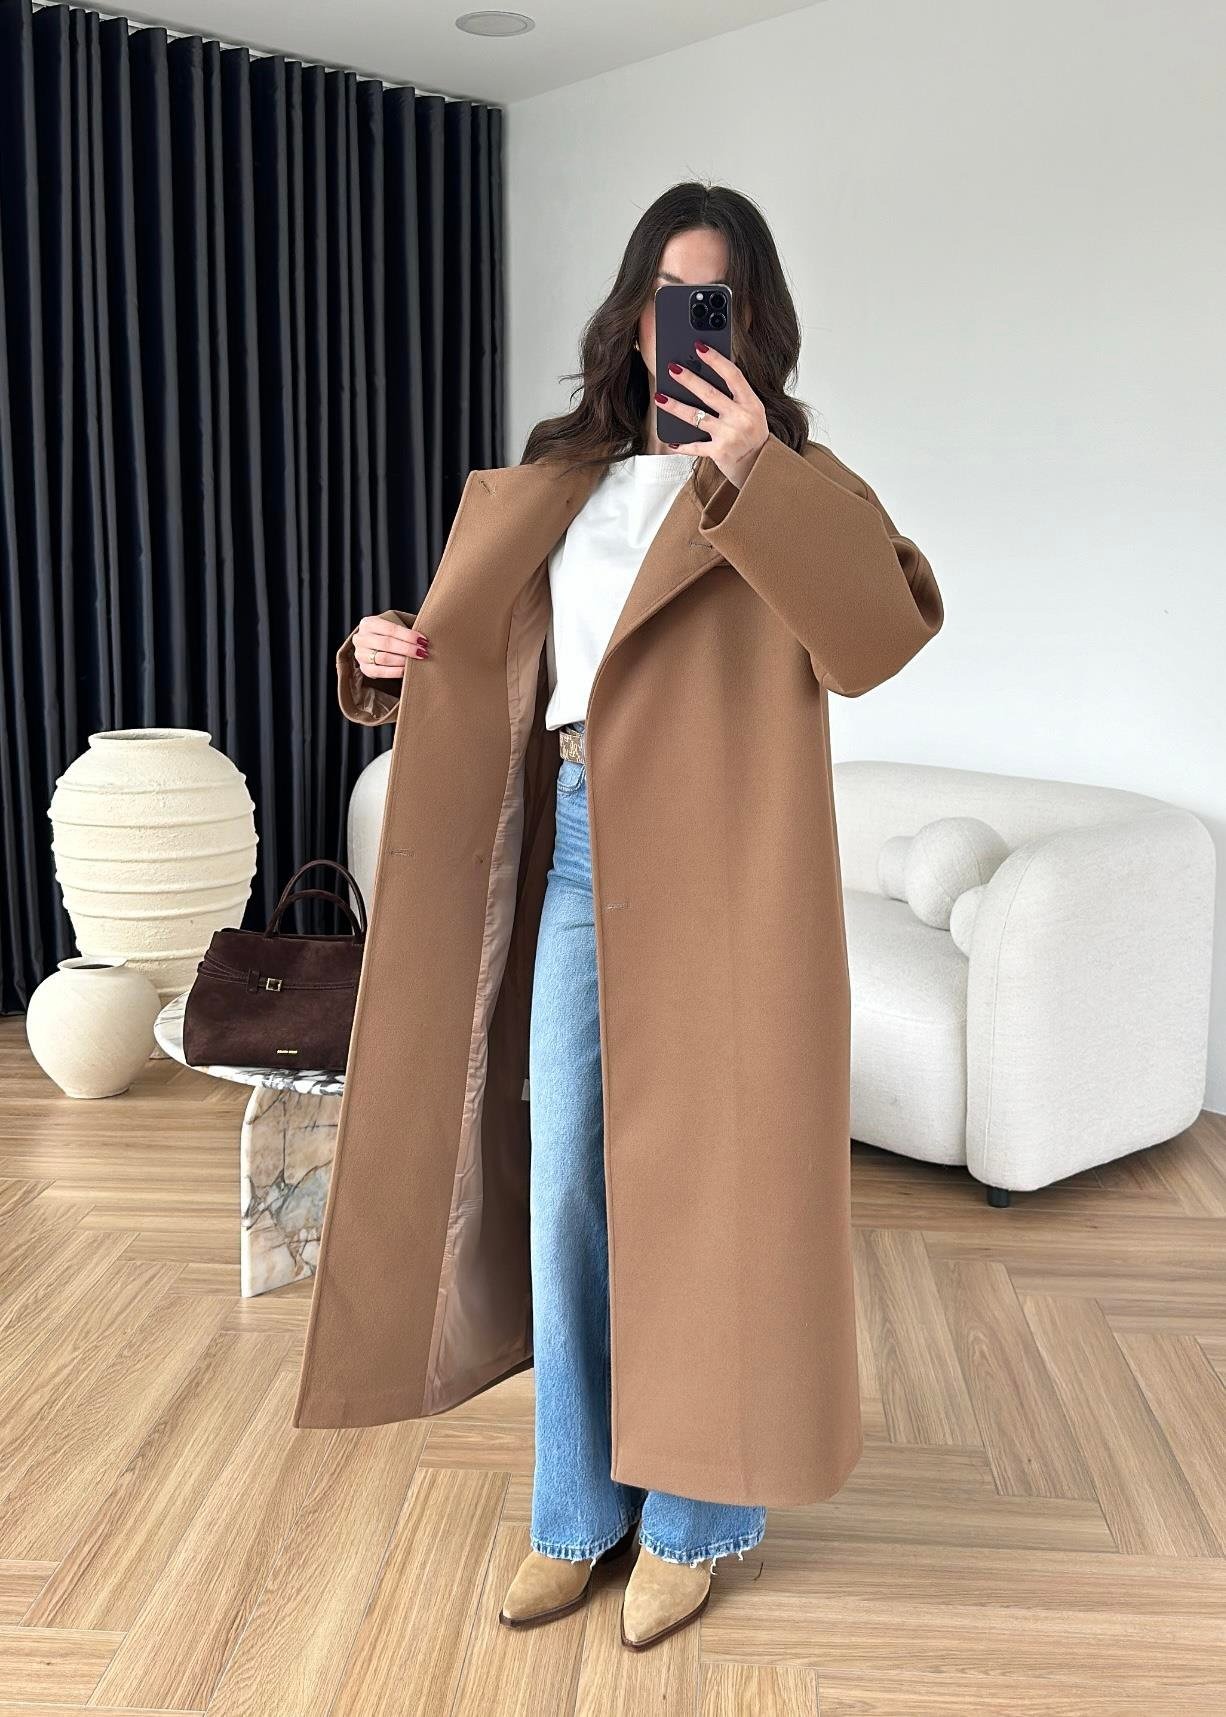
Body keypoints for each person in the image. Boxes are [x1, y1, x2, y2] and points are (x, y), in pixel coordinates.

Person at [344, 181, 942, 1652]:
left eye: (714, 304)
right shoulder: (559, 477)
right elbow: (490, 656)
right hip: (570, 851)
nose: (686, 329)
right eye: (669, 299)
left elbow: (878, 638)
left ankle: (693, 1519)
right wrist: (383, 652)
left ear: (753, 324)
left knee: (711, 1197)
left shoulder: (790, 478)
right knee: (565, 1181)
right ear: (628, 316)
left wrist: (752, 467)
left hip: (723, 869)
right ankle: (575, 1504)